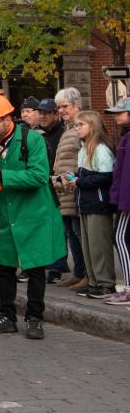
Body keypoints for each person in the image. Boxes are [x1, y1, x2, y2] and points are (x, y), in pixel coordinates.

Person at [0, 91, 65, 339]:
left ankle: (35, 318)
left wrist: (0, 175)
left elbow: (38, 176)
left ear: (6, 118)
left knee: (35, 269)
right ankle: (6, 316)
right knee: (5, 268)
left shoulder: (31, 140)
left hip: (33, 213)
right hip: (5, 213)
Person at [68, 111, 117, 299]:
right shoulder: (84, 148)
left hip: (98, 203)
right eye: (75, 125)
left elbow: (106, 176)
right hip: (86, 203)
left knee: (99, 246)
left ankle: (105, 283)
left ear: (92, 126)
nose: (77, 128)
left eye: (80, 125)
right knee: (88, 246)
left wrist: (79, 182)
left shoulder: (101, 149)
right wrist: (75, 178)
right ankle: (94, 281)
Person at [53, 87, 87, 291]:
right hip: (64, 192)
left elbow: (81, 161)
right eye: (59, 107)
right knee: (71, 232)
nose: (61, 110)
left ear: (77, 106)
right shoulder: (68, 129)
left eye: (65, 106)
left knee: (79, 232)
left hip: (75, 190)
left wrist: (72, 181)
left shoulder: (82, 128)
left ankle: (87, 275)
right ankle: (79, 272)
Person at [36, 98, 70, 283]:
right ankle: (54, 262)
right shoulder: (38, 134)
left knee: (60, 224)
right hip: (42, 182)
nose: (42, 116)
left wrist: (59, 185)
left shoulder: (63, 134)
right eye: (40, 112)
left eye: (47, 113)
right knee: (46, 225)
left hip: (58, 182)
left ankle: (58, 265)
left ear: (55, 115)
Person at [103, 98, 130, 305]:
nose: (116, 115)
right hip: (124, 199)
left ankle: (128, 288)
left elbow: (126, 175)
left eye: (121, 112)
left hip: (127, 201)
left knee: (120, 238)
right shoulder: (126, 137)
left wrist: (123, 202)